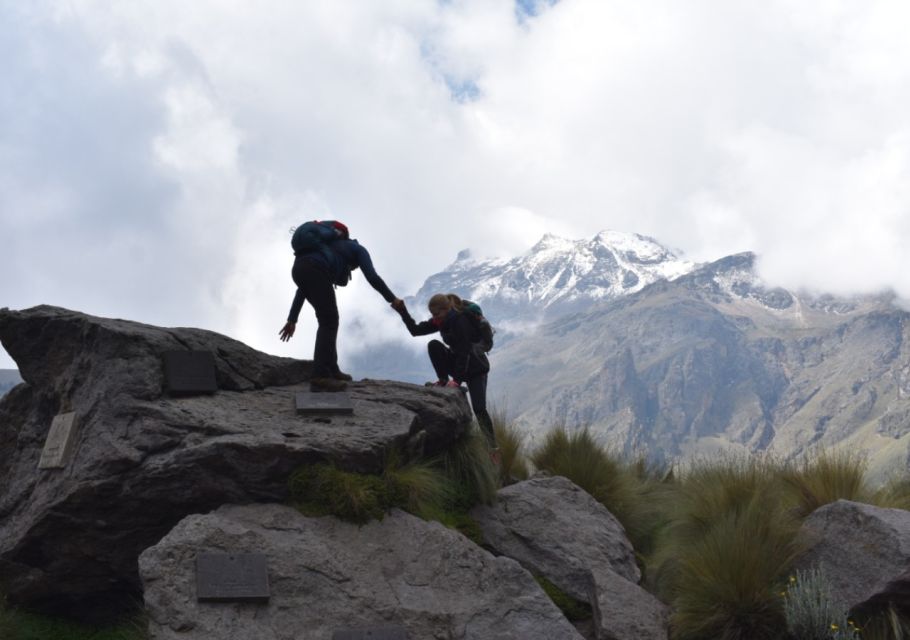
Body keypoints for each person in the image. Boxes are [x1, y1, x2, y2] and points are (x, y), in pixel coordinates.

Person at [280, 221, 402, 392]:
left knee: (328, 319)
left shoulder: (324, 250)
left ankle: (332, 369)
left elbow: (303, 288)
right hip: (316, 270)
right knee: (329, 321)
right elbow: (372, 277)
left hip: (298, 269)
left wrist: (292, 319)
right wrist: (393, 299)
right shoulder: (358, 250)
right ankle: (320, 376)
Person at [392, 293, 496, 450]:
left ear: (446, 309)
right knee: (434, 345)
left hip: (476, 368)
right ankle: (442, 379)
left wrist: (457, 381)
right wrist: (403, 312)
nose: (435, 318)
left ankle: (493, 447)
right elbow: (415, 330)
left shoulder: (460, 320)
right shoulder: (442, 321)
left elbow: (464, 351)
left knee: (479, 409)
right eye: (432, 315)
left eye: (437, 314)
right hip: (459, 365)